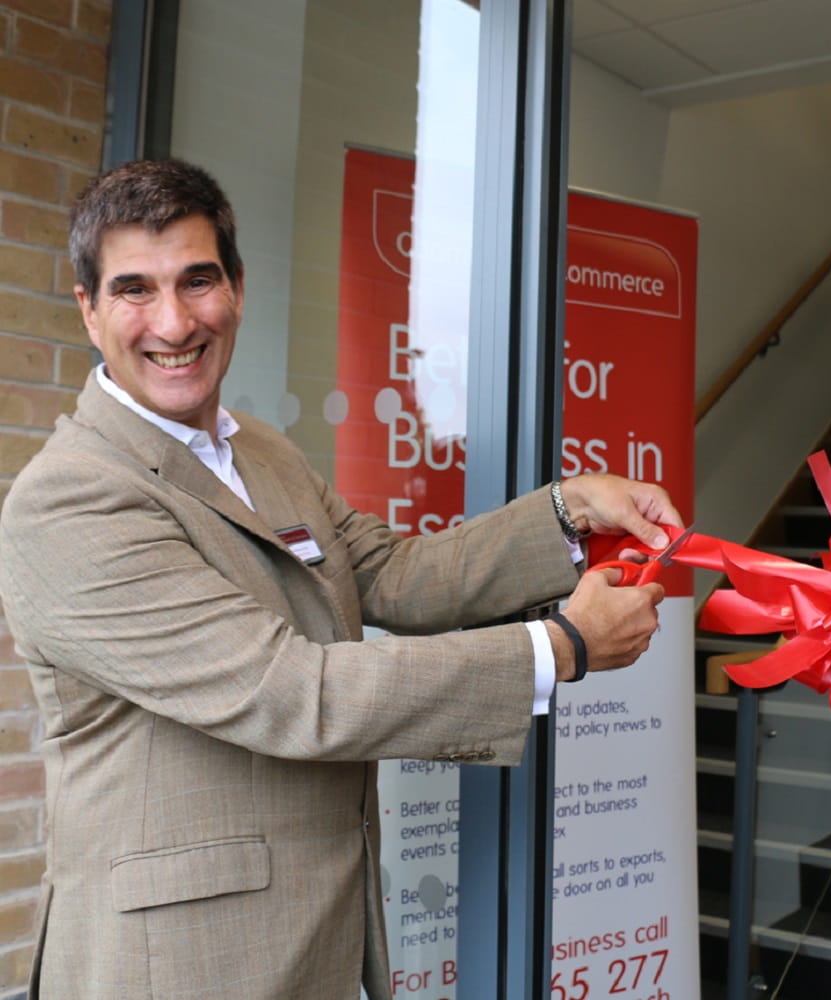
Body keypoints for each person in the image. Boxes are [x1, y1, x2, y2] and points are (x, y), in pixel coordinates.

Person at [0, 158, 681, 1000]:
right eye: (134, 289)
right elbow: (290, 692)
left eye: (197, 280)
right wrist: (562, 648)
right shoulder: (69, 501)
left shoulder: (261, 455)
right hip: (176, 968)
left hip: (322, 940)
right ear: (89, 312)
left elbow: (398, 572)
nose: (172, 321)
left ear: (238, 289)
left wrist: (570, 508)